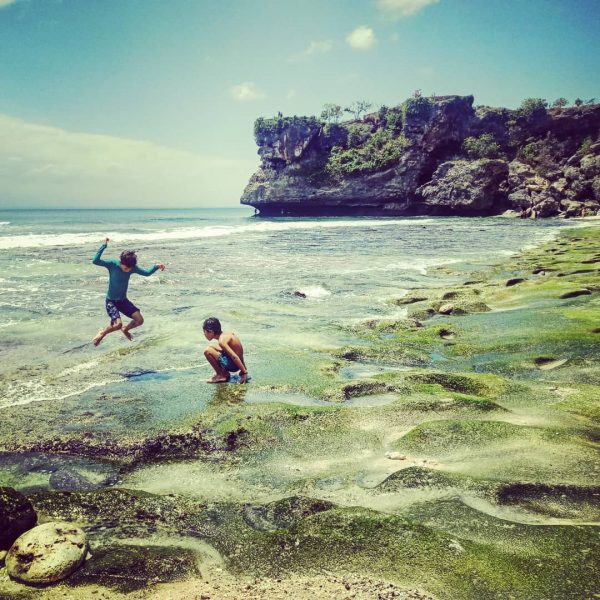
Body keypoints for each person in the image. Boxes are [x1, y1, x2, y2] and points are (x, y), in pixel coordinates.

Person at [91, 238, 165, 346]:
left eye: (130, 269)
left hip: (123, 301)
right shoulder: (112, 264)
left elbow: (147, 273)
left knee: (139, 320)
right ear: (121, 262)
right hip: (111, 301)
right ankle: (103, 333)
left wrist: (156, 267)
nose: (128, 270)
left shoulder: (132, 268)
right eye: (126, 268)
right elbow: (95, 261)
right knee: (117, 325)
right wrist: (104, 246)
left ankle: (126, 329)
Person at [202, 317, 248, 384]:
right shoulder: (227, 335)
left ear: (211, 331)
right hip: (238, 363)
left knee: (207, 351)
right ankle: (224, 373)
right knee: (211, 347)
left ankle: (221, 375)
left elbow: (234, 356)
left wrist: (244, 372)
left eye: (204, 331)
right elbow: (238, 351)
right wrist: (244, 367)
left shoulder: (221, 341)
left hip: (234, 366)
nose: (204, 334)